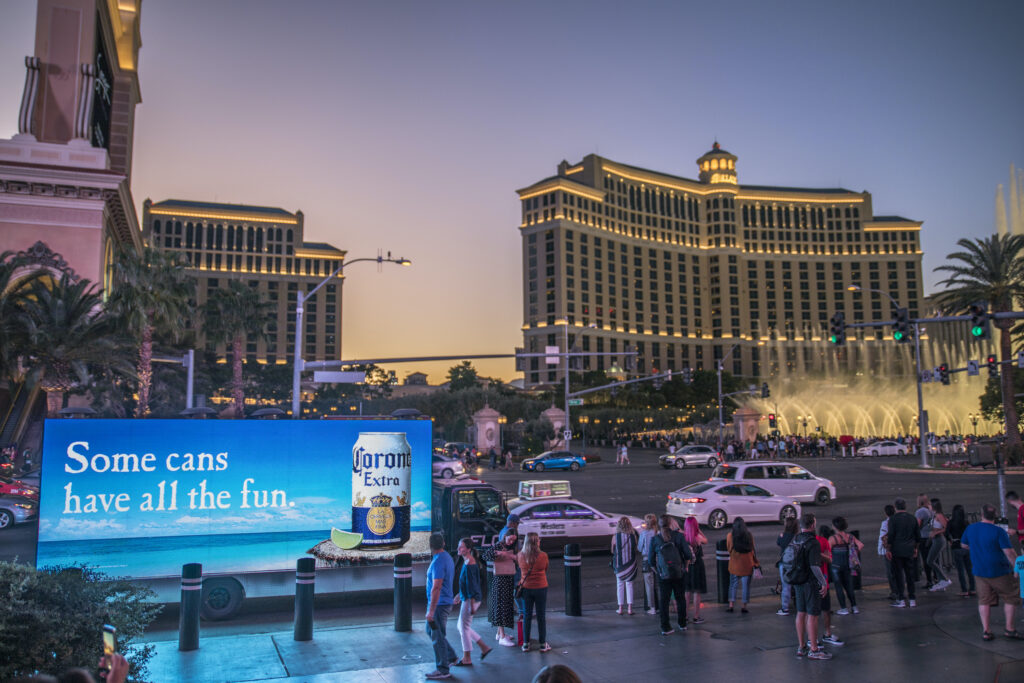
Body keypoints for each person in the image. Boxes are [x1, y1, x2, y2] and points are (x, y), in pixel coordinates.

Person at [961, 503, 1022, 640]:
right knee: (1011, 597)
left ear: (981, 514)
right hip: (1000, 571)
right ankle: (1009, 629)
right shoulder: (998, 531)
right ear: (995, 516)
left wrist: (978, 549)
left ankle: (986, 631)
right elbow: (1009, 553)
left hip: (979, 571)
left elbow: (964, 545)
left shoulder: (971, 528)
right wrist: (1017, 568)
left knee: (984, 600)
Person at [789, 513, 831, 660]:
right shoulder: (813, 542)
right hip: (810, 582)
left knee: (800, 613)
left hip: (797, 581)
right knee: (813, 616)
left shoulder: (796, 539)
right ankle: (814, 649)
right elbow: (814, 566)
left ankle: (802, 647)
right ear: (812, 525)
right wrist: (823, 582)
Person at [648, 513, 693, 635]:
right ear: (670, 524)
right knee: (680, 598)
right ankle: (682, 623)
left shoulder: (655, 539)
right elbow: (688, 555)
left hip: (664, 575)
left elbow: (650, 561)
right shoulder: (678, 536)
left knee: (664, 601)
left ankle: (665, 627)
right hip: (679, 573)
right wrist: (685, 567)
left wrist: (658, 572)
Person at [452, 538, 492, 666]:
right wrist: (459, 594)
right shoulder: (468, 561)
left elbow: (472, 586)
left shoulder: (469, 564)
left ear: (468, 549)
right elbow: (467, 584)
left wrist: (471, 605)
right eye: (459, 546)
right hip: (469, 598)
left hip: (470, 599)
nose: (459, 549)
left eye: (461, 547)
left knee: (463, 627)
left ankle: (467, 658)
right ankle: (484, 647)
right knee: (462, 626)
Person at [425, 532, 458, 680]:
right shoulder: (447, 557)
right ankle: (450, 657)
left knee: (437, 636)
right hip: (443, 603)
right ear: (443, 543)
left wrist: (431, 611)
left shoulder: (438, 562)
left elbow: (436, 587)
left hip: (439, 605)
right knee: (430, 630)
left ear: (431, 546)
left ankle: (443, 669)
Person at [481, 532, 518, 646]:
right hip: (500, 580)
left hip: (508, 580)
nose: (511, 542)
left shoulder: (513, 548)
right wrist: (500, 554)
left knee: (506, 605)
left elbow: (520, 559)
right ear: (505, 536)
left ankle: (499, 634)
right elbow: (485, 556)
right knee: (500, 606)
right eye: (509, 539)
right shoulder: (498, 546)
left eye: (513, 540)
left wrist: (511, 556)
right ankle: (502, 636)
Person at [517, 531, 551, 652]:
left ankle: (526, 644)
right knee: (541, 616)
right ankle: (542, 644)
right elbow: (545, 568)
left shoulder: (520, 555)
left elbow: (520, 569)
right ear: (537, 542)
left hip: (526, 588)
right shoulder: (543, 556)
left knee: (527, 615)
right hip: (541, 587)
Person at [885, 497, 919, 608]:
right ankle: (912, 598)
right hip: (909, 550)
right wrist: (915, 548)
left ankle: (901, 599)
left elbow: (891, 536)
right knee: (910, 575)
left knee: (899, 575)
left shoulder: (893, 519)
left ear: (895, 507)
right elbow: (917, 536)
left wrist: (888, 549)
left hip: (897, 550)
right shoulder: (912, 518)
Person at [828, 517, 863, 614]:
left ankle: (843, 608)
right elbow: (860, 545)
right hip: (848, 564)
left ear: (835, 527)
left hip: (836, 565)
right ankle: (854, 607)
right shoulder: (850, 537)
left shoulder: (833, 538)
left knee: (838, 586)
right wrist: (854, 553)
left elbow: (827, 550)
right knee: (849, 586)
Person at [726, 517, 758, 613]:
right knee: (746, 586)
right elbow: (752, 548)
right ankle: (744, 606)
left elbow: (729, 548)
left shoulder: (730, 535)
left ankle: (731, 605)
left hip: (735, 564)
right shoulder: (749, 535)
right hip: (747, 564)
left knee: (733, 585)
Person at [611, 516, 639, 615]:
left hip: (619, 565)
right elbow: (635, 549)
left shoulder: (615, 537)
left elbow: (612, 550)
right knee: (630, 585)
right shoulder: (633, 536)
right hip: (631, 564)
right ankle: (630, 608)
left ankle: (620, 608)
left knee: (620, 585)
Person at [948, 504, 977, 597]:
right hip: (966, 547)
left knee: (960, 570)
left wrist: (950, 541)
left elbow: (946, 533)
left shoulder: (951, 522)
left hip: (956, 546)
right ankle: (972, 589)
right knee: (969, 569)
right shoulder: (966, 522)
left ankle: (964, 590)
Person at [683, 516, 708, 623]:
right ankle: (696, 616)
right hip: (697, 565)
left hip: (687, 566)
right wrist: (698, 530)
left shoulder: (683, 537)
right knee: (696, 592)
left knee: (687, 591)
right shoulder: (697, 537)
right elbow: (706, 540)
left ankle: (685, 615)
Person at [927, 499, 953, 591]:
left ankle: (944, 579)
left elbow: (946, 527)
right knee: (935, 561)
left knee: (930, 561)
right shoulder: (934, 515)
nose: (928, 506)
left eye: (929, 504)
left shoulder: (939, 515)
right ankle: (941, 581)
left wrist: (936, 532)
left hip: (939, 540)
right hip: (935, 540)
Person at [637, 513, 659, 615]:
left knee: (649, 585)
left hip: (647, 560)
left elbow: (639, 548)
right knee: (658, 584)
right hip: (658, 560)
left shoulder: (643, 534)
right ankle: (661, 605)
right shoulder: (657, 533)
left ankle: (652, 607)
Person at [777, 516, 799, 615]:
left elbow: (778, 543)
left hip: (784, 564)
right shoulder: (798, 537)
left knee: (786, 586)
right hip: (796, 564)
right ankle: (800, 606)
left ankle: (785, 608)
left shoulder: (782, 536)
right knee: (798, 585)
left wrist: (781, 536)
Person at [878, 504, 899, 601]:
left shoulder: (886, 523)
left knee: (890, 572)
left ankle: (895, 592)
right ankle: (898, 590)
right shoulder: (897, 521)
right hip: (897, 549)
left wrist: (886, 550)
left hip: (888, 551)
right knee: (897, 571)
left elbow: (884, 538)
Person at [915, 494, 935, 589]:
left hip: (923, 537)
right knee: (934, 558)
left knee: (926, 559)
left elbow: (918, 525)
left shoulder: (920, 512)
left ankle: (929, 580)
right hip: (932, 536)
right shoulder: (931, 510)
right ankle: (937, 578)